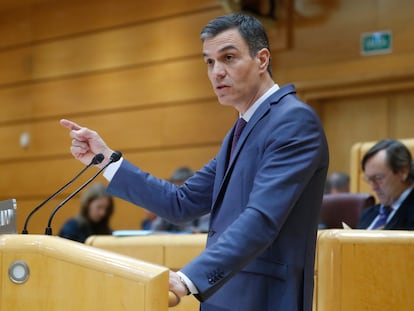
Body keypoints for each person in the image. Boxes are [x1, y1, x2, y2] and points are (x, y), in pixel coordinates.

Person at [60, 13, 329, 311]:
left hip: (262, 297)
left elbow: (262, 219)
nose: (217, 72)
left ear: (262, 60)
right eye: (210, 62)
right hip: (224, 296)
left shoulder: (292, 120)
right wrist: (107, 160)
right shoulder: (241, 129)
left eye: (228, 57)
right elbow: (181, 202)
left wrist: (188, 279)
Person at [357, 139, 414, 230]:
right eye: (369, 179)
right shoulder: (368, 214)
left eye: (378, 178)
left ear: (403, 172)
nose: (373, 187)